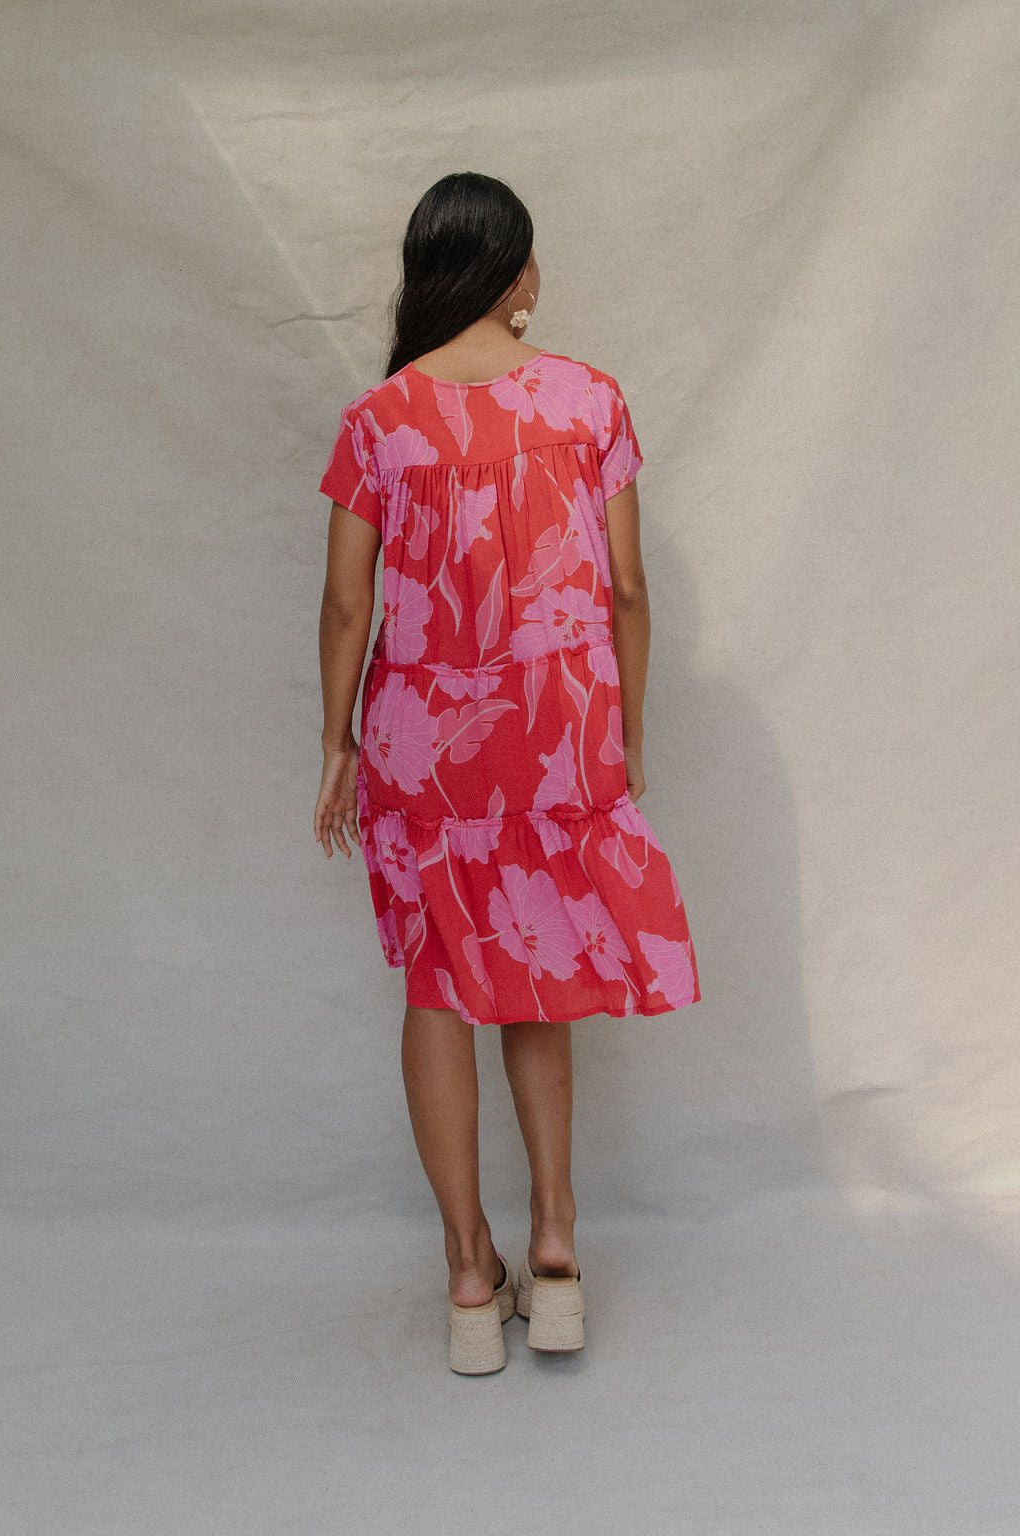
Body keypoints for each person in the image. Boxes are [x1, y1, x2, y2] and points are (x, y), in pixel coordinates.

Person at [313, 172, 701, 1374]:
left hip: (425, 739)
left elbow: (343, 602)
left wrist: (334, 741)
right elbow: (627, 588)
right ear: (518, 275)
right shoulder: (589, 401)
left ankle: (469, 1275)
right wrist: (625, 727)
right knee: (536, 969)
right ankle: (557, 1249)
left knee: (440, 980)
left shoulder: (382, 418)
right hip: (555, 727)